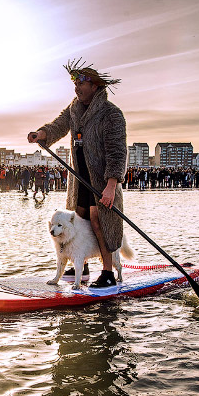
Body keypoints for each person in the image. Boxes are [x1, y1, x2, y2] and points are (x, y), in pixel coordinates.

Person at [28, 58, 127, 288]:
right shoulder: (74, 109)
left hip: (102, 181)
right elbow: (59, 125)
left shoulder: (111, 114)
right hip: (80, 178)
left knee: (98, 220)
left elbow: (117, 152)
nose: (76, 88)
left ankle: (107, 272)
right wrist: (42, 134)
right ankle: (82, 267)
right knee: (79, 219)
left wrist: (111, 186)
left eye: (81, 84)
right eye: (74, 84)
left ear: (95, 86)